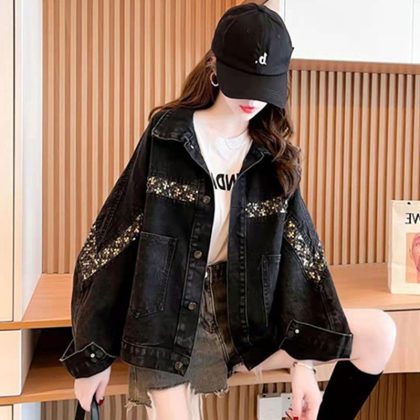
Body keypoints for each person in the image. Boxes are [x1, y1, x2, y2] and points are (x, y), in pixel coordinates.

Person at [59, 3, 397, 420]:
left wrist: (304, 364)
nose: (253, 99)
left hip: (245, 319)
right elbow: (115, 238)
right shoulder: (169, 137)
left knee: (380, 333)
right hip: (171, 322)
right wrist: (92, 357)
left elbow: (299, 260)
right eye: (243, 83)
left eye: (264, 86)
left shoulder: (272, 156)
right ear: (215, 67)